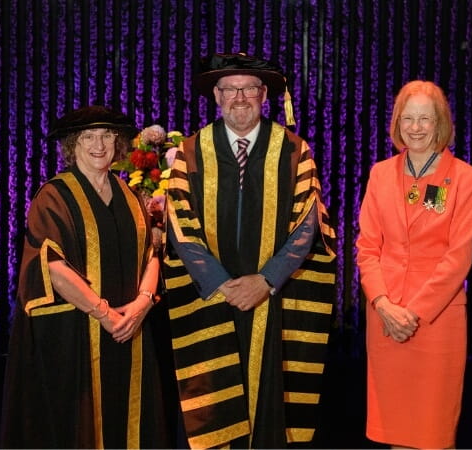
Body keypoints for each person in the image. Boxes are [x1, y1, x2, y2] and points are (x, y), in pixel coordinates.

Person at [163, 52, 337, 448]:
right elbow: (179, 226)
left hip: (273, 298)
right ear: (216, 96)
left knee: (270, 398)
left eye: (248, 89)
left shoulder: (293, 150)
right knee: (213, 403)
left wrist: (266, 280)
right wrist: (222, 284)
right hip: (212, 298)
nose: (239, 97)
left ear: (264, 95)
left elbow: (307, 224)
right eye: (229, 89)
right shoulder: (191, 152)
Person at [0, 105, 173, 448]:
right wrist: (105, 314)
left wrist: (140, 306)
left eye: (107, 136)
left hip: (132, 328)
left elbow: (152, 255)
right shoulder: (54, 196)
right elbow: (52, 265)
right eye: (89, 137)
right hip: (75, 335)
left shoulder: (130, 195)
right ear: (72, 145)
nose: (99, 145)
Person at [356, 80, 472, 449]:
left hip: (435, 321)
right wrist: (383, 304)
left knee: (432, 432)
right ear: (397, 123)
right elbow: (367, 247)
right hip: (385, 318)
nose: (415, 127)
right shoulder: (380, 174)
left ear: (440, 123)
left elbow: (457, 257)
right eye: (408, 118)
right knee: (396, 430)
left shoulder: (464, 178)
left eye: (425, 119)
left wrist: (412, 313)